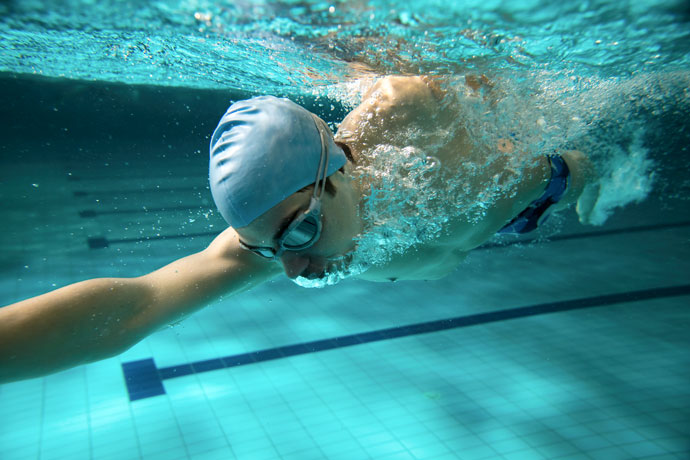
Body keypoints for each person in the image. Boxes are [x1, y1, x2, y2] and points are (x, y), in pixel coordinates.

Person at [0, 75, 597, 384]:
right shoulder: (282, 232)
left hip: (555, 180)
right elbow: (139, 304)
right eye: (265, 249)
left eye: (300, 235)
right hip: (489, 226)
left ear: (334, 178)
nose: (292, 270)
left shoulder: (415, 109)